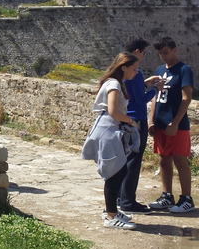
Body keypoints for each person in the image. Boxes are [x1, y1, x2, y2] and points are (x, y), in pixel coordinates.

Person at [81, 52, 141, 230]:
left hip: (110, 129)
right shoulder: (114, 84)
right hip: (108, 130)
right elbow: (114, 111)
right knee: (114, 173)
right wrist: (131, 121)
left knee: (120, 170)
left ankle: (111, 209)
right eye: (134, 69)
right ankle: (111, 216)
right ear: (123, 67)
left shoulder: (115, 83)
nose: (136, 72)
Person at [148, 37, 195, 213]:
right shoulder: (160, 70)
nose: (163, 56)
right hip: (160, 122)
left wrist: (175, 122)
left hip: (177, 124)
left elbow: (186, 98)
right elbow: (155, 97)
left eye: (166, 52)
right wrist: (152, 120)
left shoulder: (184, 70)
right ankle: (167, 195)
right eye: (160, 53)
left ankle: (186, 199)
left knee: (179, 159)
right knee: (163, 158)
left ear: (175, 50)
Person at [119, 37, 165, 214]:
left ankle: (119, 197)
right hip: (136, 120)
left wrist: (146, 83)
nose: (144, 56)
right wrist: (156, 88)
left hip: (124, 119)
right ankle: (128, 202)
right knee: (133, 162)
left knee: (123, 160)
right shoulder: (135, 72)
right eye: (144, 53)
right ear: (137, 52)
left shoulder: (123, 69)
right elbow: (141, 100)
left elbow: (130, 91)